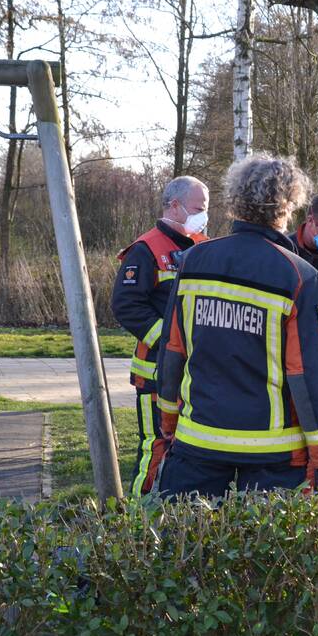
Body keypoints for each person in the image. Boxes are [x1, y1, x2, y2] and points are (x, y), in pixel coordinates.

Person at [154, 154, 318, 498]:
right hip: (270, 452)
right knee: (264, 552)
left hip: (199, 441)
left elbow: (173, 350)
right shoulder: (299, 275)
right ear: (287, 205)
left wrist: (167, 423)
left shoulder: (194, 260)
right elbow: (307, 374)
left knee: (186, 545)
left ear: (235, 202)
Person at [111, 176, 209, 496]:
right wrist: (169, 343)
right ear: (175, 206)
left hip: (195, 374)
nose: (203, 216)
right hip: (155, 372)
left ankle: (174, 521)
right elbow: (127, 306)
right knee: (156, 448)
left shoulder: (203, 246)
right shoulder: (146, 249)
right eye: (198, 209)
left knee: (191, 453)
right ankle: (140, 520)